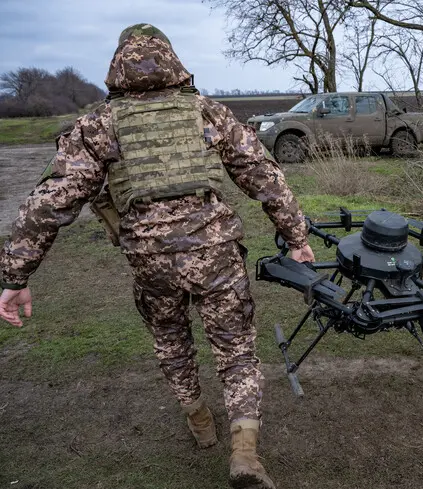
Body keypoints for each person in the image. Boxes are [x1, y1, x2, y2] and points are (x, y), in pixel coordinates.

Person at [0, 24, 314, 489]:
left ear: (118, 65)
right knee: (236, 349)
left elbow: (50, 201)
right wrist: (296, 237)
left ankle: (200, 422)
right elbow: (266, 177)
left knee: (171, 339)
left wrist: (15, 274)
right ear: (172, 61)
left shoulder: (99, 124)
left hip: (150, 259)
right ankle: (245, 453)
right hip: (215, 252)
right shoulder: (207, 111)